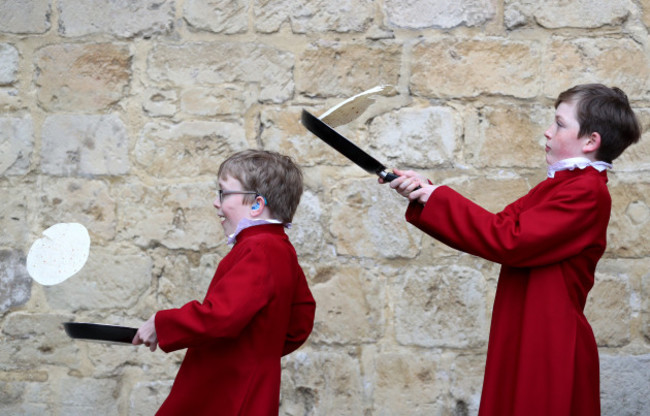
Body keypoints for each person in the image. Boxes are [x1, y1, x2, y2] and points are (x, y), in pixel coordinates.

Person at [384, 84, 642, 415]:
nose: (548, 132)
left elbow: (509, 239)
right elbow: (498, 226)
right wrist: (426, 192)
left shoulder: (587, 191)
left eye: (560, 124)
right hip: (528, 330)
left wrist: (436, 196)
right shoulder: (560, 185)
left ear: (591, 141)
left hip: (550, 340)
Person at [133, 149, 316, 415]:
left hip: (227, 391)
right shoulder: (280, 247)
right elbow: (300, 322)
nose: (216, 203)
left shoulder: (258, 249)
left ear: (256, 204)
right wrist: (257, 353)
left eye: (223, 193)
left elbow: (221, 316)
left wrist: (161, 324)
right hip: (255, 387)